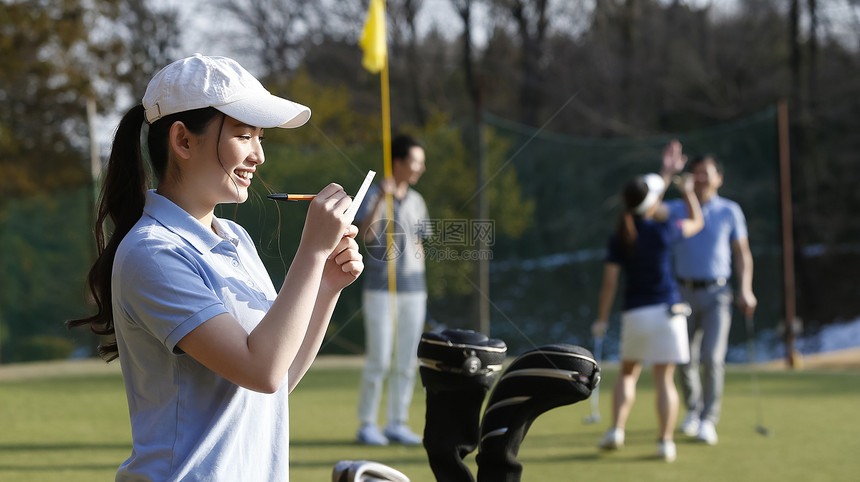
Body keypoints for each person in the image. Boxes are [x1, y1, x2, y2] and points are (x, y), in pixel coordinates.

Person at [67, 54, 363, 481]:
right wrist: (312, 254)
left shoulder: (236, 240)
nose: (258, 155)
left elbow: (273, 380)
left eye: (261, 138)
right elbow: (260, 370)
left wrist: (327, 284)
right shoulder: (152, 253)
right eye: (244, 136)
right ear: (184, 141)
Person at [591, 140, 703, 463]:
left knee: (628, 374)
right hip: (667, 312)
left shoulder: (621, 233)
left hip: (635, 314)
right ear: (651, 202)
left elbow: (609, 283)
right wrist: (687, 192)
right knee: (663, 379)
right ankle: (665, 442)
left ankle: (616, 431)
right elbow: (697, 223)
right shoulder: (664, 228)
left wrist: (601, 319)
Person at [666, 154, 757, 446]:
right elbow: (649, 208)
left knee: (712, 358)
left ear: (719, 178)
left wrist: (746, 288)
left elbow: (742, 253)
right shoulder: (678, 208)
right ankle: (693, 410)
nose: (701, 178)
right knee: (683, 358)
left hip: (719, 293)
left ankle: (708, 419)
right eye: (697, 173)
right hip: (682, 292)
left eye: (707, 173)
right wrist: (667, 174)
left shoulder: (730, 210)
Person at [354, 134, 429, 446]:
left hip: (414, 290)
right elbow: (366, 235)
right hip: (380, 290)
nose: (419, 169)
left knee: (407, 360)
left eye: (422, 164)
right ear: (397, 163)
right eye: (415, 163)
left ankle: (398, 421)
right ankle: (368, 424)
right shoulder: (374, 195)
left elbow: (421, 240)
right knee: (380, 359)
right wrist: (381, 199)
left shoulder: (417, 200)